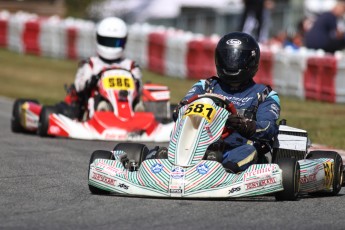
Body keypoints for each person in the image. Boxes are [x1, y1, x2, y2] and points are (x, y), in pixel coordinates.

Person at [172, 32, 281, 173]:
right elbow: (183, 109)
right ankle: (171, 163)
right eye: (227, 57)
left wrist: (245, 125)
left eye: (237, 58)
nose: (232, 63)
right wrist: (180, 110)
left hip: (235, 150)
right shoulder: (205, 86)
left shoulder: (265, 95)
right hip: (198, 148)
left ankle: (224, 173)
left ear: (251, 61)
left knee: (248, 150)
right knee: (164, 149)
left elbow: (268, 129)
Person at [70, 16, 143, 119]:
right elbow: (78, 87)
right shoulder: (91, 64)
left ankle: (137, 113)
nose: (110, 46)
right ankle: (101, 111)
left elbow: (140, 91)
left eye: (115, 42)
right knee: (93, 99)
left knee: (138, 101)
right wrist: (91, 81)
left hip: (126, 100)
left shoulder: (131, 66)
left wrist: (136, 83)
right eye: (107, 41)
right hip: (96, 101)